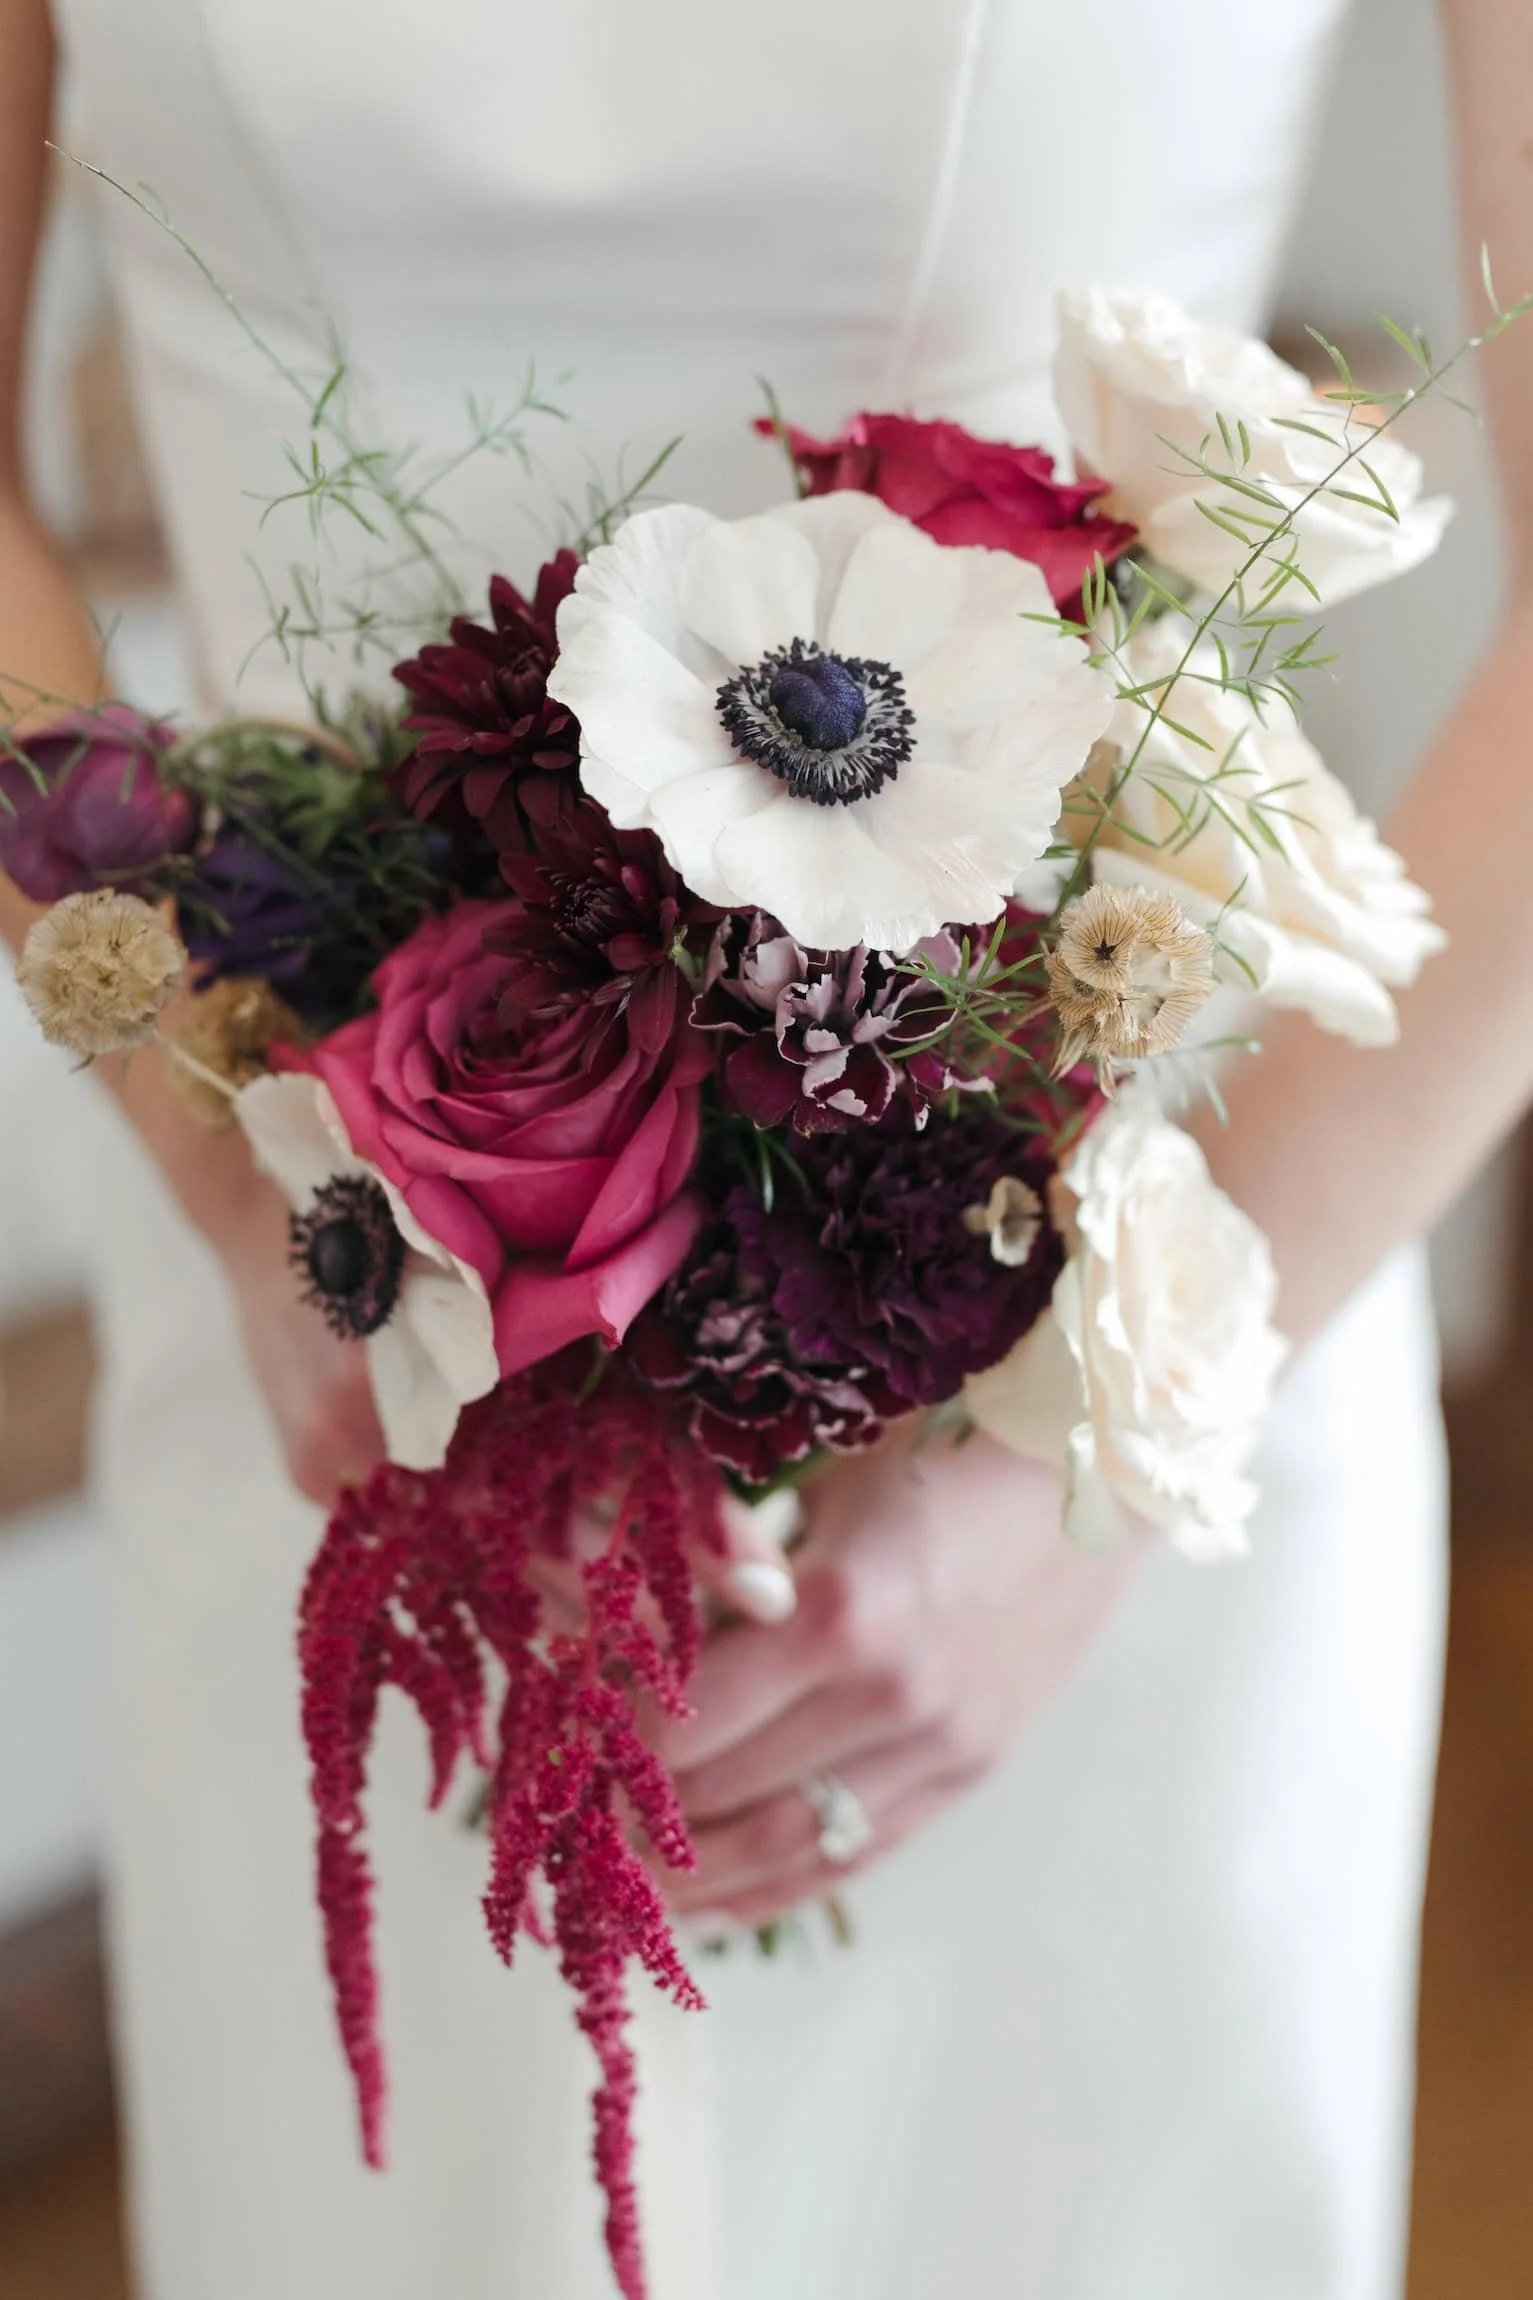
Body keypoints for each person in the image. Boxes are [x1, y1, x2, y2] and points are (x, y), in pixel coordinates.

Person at [1, 2, 1528, 2293]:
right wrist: (259, 1189)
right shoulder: (296, 1262)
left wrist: (1081, 1451)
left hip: (1117, 1344)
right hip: (338, 1355)